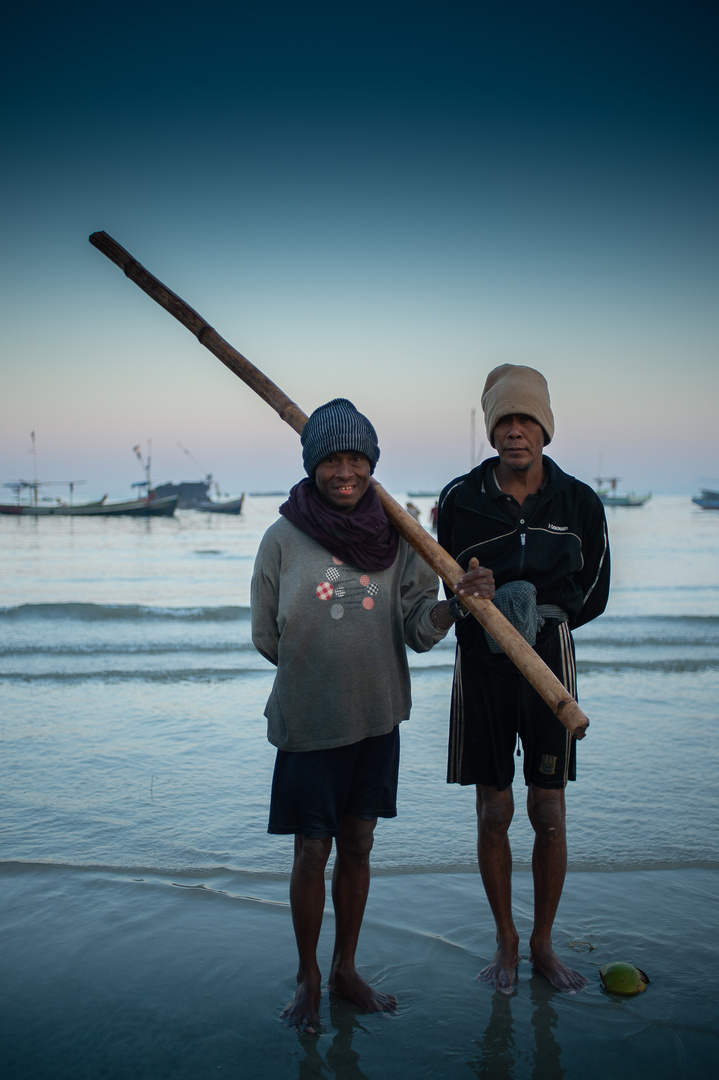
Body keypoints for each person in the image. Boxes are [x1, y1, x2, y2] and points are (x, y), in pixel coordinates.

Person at [251, 398, 486, 1033]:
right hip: (308, 721)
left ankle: (345, 969)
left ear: (373, 464)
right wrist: (321, 664)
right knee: (311, 849)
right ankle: (307, 975)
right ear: (312, 465)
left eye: (358, 458)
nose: (346, 472)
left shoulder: (401, 537)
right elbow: (265, 636)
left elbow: (417, 628)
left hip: (377, 719)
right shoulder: (281, 537)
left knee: (358, 841)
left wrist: (454, 606)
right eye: (332, 459)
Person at [437, 364, 610, 995]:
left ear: (545, 429)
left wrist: (544, 618)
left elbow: (594, 592)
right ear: (491, 430)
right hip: (482, 660)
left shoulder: (579, 502)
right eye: (505, 421)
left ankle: (542, 943)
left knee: (549, 810)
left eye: (526, 421)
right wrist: (473, 599)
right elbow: (447, 588)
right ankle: (506, 942)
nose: (516, 433)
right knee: (494, 812)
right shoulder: (459, 499)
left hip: (548, 661)